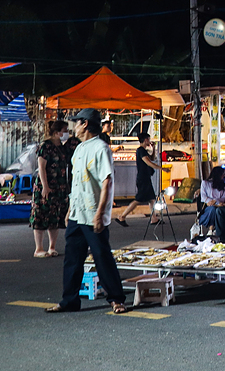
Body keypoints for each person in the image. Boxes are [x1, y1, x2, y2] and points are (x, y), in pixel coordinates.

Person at [45, 108, 127, 314]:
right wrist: (71, 208)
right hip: (77, 213)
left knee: (101, 256)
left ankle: (116, 298)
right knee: (72, 259)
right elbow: (77, 184)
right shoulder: (79, 149)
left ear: (86, 124)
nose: (73, 127)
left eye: (77, 122)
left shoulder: (101, 148)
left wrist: (100, 214)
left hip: (92, 214)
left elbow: (106, 182)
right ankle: (69, 300)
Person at [31, 120, 71, 258]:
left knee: (55, 216)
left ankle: (52, 247)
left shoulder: (62, 147)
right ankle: (39, 248)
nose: (66, 133)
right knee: (41, 215)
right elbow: (41, 167)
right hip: (45, 186)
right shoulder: (45, 146)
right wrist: (45, 186)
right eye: (64, 130)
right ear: (56, 132)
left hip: (60, 186)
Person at [115, 132, 168, 226]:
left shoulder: (143, 150)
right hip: (143, 178)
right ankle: (122, 216)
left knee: (152, 199)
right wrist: (161, 168)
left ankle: (154, 218)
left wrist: (153, 148)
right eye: (149, 139)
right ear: (145, 140)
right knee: (138, 200)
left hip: (146, 177)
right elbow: (148, 162)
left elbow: (151, 158)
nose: (150, 141)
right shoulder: (140, 150)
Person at [196, 166, 225, 231]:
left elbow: (224, 197)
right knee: (213, 209)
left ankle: (213, 230)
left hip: (219, 205)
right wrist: (211, 202)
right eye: (222, 174)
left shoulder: (224, 186)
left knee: (218, 210)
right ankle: (211, 228)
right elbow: (203, 197)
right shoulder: (205, 183)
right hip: (208, 207)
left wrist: (215, 200)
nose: (224, 176)